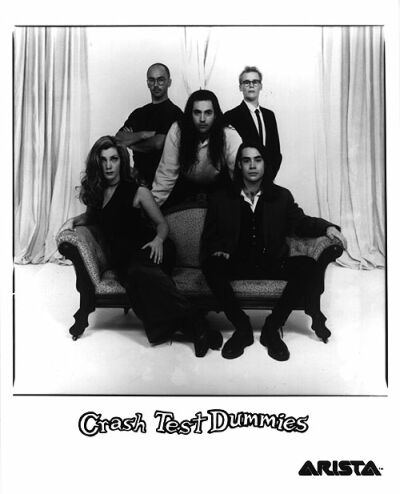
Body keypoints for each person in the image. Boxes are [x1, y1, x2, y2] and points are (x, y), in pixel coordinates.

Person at [59, 136, 221, 357]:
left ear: (121, 161)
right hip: (126, 261)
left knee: (136, 272)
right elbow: (90, 217)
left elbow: (162, 224)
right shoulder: (97, 194)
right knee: (134, 277)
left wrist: (158, 240)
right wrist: (72, 222)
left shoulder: (137, 191)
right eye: (104, 160)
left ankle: (194, 325)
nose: (108, 165)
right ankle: (197, 327)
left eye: (114, 159)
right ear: (97, 163)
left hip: (153, 251)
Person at [201, 142, 346, 361]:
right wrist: (218, 250)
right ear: (239, 165)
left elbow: (301, 222)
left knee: (308, 266)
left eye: (257, 160)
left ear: (265, 164)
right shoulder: (222, 197)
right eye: (246, 160)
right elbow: (209, 237)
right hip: (238, 263)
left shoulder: (281, 196)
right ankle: (242, 328)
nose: (252, 166)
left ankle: (272, 328)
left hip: (271, 262)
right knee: (211, 265)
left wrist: (327, 228)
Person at [151, 89, 242, 209]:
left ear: (215, 115)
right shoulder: (177, 130)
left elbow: (238, 173)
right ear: (190, 114)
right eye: (197, 113)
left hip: (218, 185)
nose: (202, 119)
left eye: (208, 113)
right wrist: (151, 207)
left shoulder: (228, 133)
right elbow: (167, 173)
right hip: (184, 186)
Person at [116, 63, 183, 186]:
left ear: (169, 82)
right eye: (152, 80)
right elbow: (119, 139)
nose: (156, 85)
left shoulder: (174, 113)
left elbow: (157, 144)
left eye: (160, 80)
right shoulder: (138, 113)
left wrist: (131, 144)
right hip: (138, 180)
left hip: (165, 182)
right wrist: (144, 134)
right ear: (147, 83)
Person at [224, 66, 282, 179]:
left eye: (255, 82)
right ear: (240, 87)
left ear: (261, 86)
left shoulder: (269, 115)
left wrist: (268, 178)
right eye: (246, 82)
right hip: (243, 180)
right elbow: (230, 156)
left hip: (267, 179)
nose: (251, 85)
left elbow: (276, 152)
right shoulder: (231, 116)